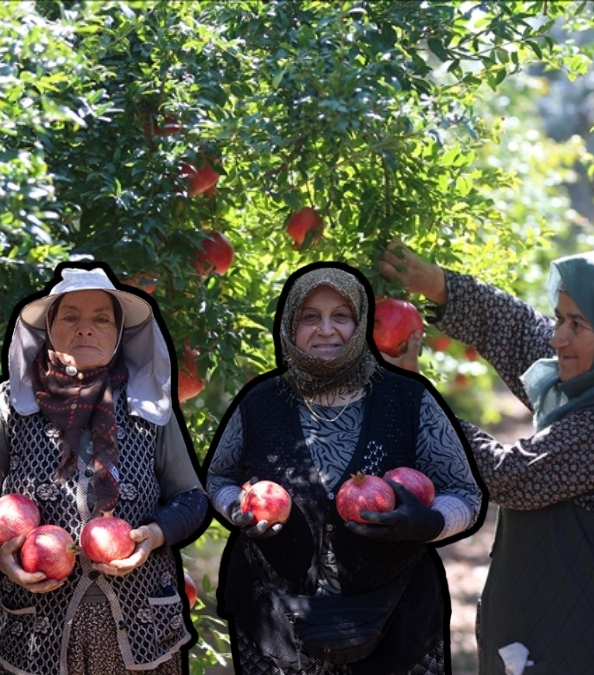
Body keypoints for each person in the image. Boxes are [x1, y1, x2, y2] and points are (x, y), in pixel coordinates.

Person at [378, 241, 594, 675]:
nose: (559, 336)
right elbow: (518, 331)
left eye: (576, 324)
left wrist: (418, 404)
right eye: (560, 317)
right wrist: (437, 284)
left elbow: (509, 477)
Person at [205, 262, 483, 675]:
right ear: (289, 326)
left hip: (395, 612)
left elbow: (466, 493)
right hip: (280, 618)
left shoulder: (408, 400)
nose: (326, 329)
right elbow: (218, 478)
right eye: (310, 318)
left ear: (361, 324)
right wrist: (237, 511)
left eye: (341, 317)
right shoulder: (259, 403)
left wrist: (429, 523)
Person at [0, 264, 207, 675]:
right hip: (31, 634)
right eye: (70, 317)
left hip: (141, 632)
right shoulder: (10, 402)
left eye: (101, 318)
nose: (85, 329)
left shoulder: (148, 405)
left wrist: (154, 535)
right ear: (47, 328)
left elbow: (191, 498)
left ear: (118, 334)